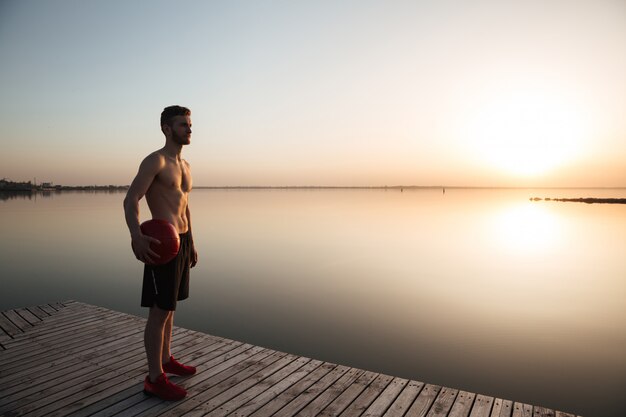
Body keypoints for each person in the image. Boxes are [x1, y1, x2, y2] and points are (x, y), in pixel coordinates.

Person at [123, 105, 198, 401]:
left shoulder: (186, 165)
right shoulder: (155, 161)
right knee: (158, 312)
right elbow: (131, 200)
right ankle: (154, 378)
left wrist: (192, 241)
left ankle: (166, 359)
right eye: (183, 125)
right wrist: (136, 236)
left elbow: (185, 205)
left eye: (190, 124)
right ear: (167, 128)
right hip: (161, 246)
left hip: (181, 241)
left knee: (170, 307)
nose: (189, 129)